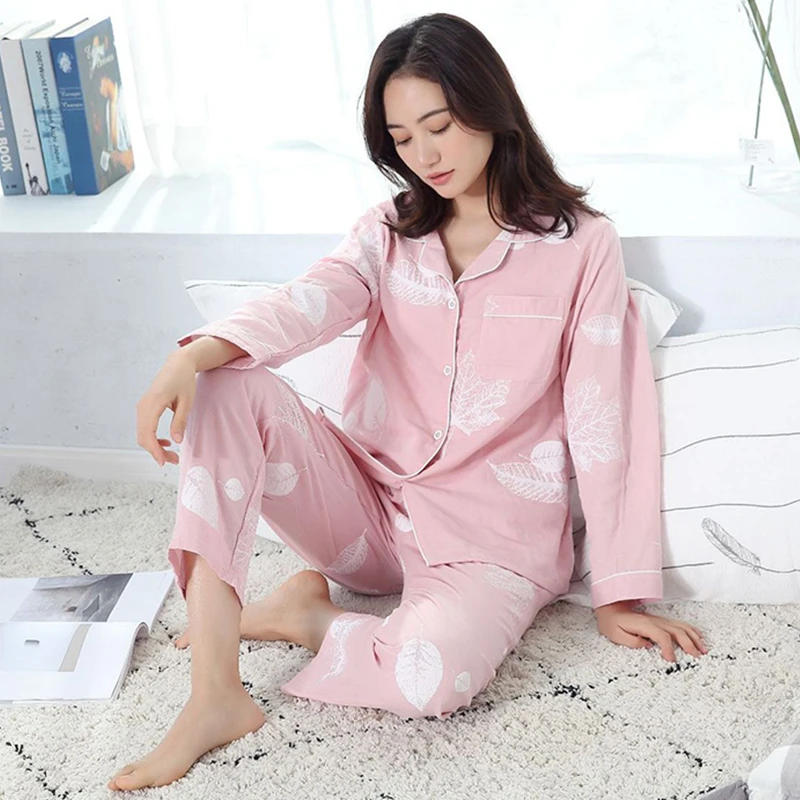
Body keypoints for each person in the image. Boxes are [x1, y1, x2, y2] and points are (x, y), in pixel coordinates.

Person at [109, 12, 708, 792]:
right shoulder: (387, 233)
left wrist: (619, 591)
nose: (425, 156)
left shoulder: (580, 245)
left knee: (429, 679)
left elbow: (605, 414)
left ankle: (309, 617)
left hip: (491, 541)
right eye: (401, 137)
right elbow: (308, 302)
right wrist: (192, 356)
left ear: (490, 108)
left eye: (441, 126)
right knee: (226, 378)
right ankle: (214, 693)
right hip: (368, 508)